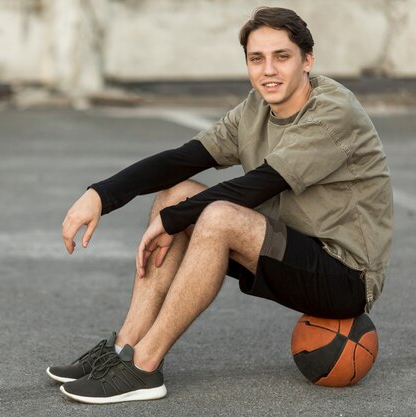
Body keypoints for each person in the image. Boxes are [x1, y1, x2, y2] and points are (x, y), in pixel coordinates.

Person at [46, 6, 393, 404]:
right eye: (256, 58)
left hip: (344, 275)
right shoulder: (255, 108)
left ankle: (143, 367)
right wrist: (101, 195)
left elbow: (257, 187)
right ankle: (123, 348)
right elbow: (183, 159)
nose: (269, 70)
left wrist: (173, 223)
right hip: (289, 248)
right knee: (176, 193)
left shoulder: (333, 112)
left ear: (307, 60)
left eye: (282, 57)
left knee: (216, 215)